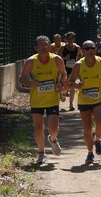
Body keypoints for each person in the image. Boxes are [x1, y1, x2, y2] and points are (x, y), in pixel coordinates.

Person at [19, 35, 67, 165]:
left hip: (52, 98)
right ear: (36, 47)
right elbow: (22, 79)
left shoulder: (57, 60)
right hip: (37, 100)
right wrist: (30, 83)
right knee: (39, 127)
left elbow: (64, 74)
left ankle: (52, 139)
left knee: (53, 128)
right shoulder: (31, 61)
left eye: (46, 44)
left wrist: (61, 84)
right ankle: (41, 153)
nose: (44, 47)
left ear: (50, 46)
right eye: (41, 45)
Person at [69, 40, 101, 165]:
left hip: (99, 98)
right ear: (82, 51)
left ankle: (98, 139)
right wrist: (76, 85)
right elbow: (70, 81)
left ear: (95, 49)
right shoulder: (79, 65)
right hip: (84, 100)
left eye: (92, 48)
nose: (90, 50)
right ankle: (90, 153)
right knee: (87, 129)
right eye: (87, 48)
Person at [61, 31, 82, 110]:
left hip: (73, 69)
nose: (70, 40)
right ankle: (63, 92)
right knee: (66, 85)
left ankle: (71, 105)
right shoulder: (63, 48)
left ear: (74, 39)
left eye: (72, 38)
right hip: (64, 69)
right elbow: (57, 57)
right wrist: (65, 58)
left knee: (72, 85)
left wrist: (78, 61)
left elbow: (80, 55)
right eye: (69, 38)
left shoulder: (77, 47)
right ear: (66, 39)